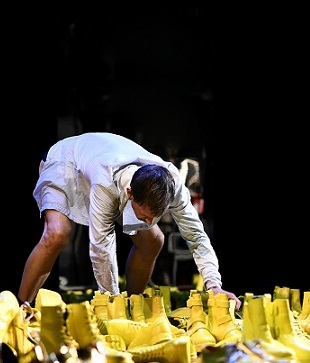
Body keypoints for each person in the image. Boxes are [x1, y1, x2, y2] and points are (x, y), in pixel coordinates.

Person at [18, 132, 240, 311]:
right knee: (58, 233)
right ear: (130, 193)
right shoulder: (105, 181)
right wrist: (111, 301)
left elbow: (197, 237)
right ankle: (21, 306)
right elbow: (101, 247)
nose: (149, 221)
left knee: (153, 240)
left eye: (155, 216)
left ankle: (133, 304)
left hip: (108, 162)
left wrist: (214, 286)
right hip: (66, 161)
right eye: (144, 216)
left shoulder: (173, 185)